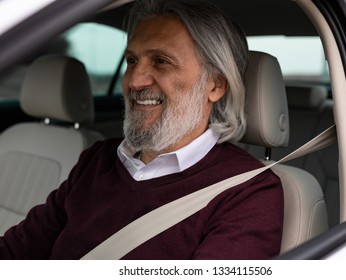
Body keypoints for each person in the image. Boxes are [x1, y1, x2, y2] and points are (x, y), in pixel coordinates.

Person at [0, 0, 283, 259]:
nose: (135, 80)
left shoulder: (248, 191)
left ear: (215, 85)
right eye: (132, 61)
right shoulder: (97, 160)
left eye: (161, 61)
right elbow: (18, 250)